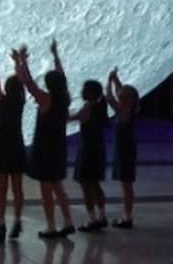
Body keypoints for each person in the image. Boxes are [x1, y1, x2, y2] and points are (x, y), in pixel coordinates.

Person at [16, 41, 75, 238]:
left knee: (46, 189)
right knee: (58, 187)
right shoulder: (64, 98)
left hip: (44, 148)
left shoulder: (46, 99)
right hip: (58, 147)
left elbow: (29, 83)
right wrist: (56, 55)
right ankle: (68, 221)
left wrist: (22, 61)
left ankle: (51, 225)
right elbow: (61, 77)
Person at [0, 46, 26, 243]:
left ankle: (1, 224)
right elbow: (24, 81)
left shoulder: (0, 101)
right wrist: (18, 62)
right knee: (17, 188)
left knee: (1, 190)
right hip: (16, 146)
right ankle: (17, 220)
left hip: (1, 147)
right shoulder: (20, 102)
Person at [70, 79, 109, 231]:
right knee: (94, 183)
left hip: (87, 150)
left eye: (84, 89)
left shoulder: (88, 108)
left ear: (90, 93)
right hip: (98, 148)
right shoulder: (100, 107)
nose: (81, 92)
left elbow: (72, 118)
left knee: (86, 184)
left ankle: (92, 218)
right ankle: (102, 215)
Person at [106, 67, 139, 229]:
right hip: (124, 148)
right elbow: (120, 92)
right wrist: (115, 79)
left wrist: (108, 81)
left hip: (125, 150)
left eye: (122, 95)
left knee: (126, 184)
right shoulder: (128, 108)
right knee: (125, 184)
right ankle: (127, 216)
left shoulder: (123, 111)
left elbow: (110, 98)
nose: (120, 94)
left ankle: (127, 217)